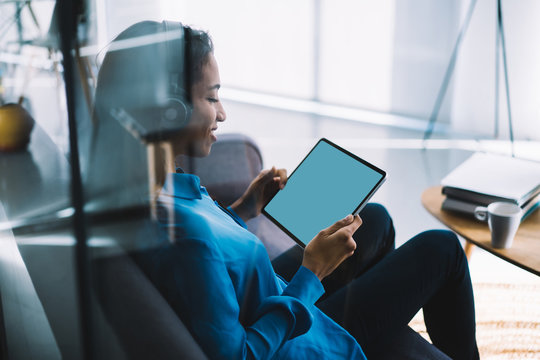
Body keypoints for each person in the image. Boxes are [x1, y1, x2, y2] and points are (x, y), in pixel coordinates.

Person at [93, 20, 480, 360]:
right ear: (171, 110)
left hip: (268, 299)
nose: (223, 113)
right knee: (442, 248)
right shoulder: (184, 234)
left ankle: (385, 330)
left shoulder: (148, 188)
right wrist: (311, 273)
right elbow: (239, 354)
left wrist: (244, 209)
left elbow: (207, 258)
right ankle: (373, 340)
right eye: (211, 97)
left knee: (371, 220)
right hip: (292, 343)